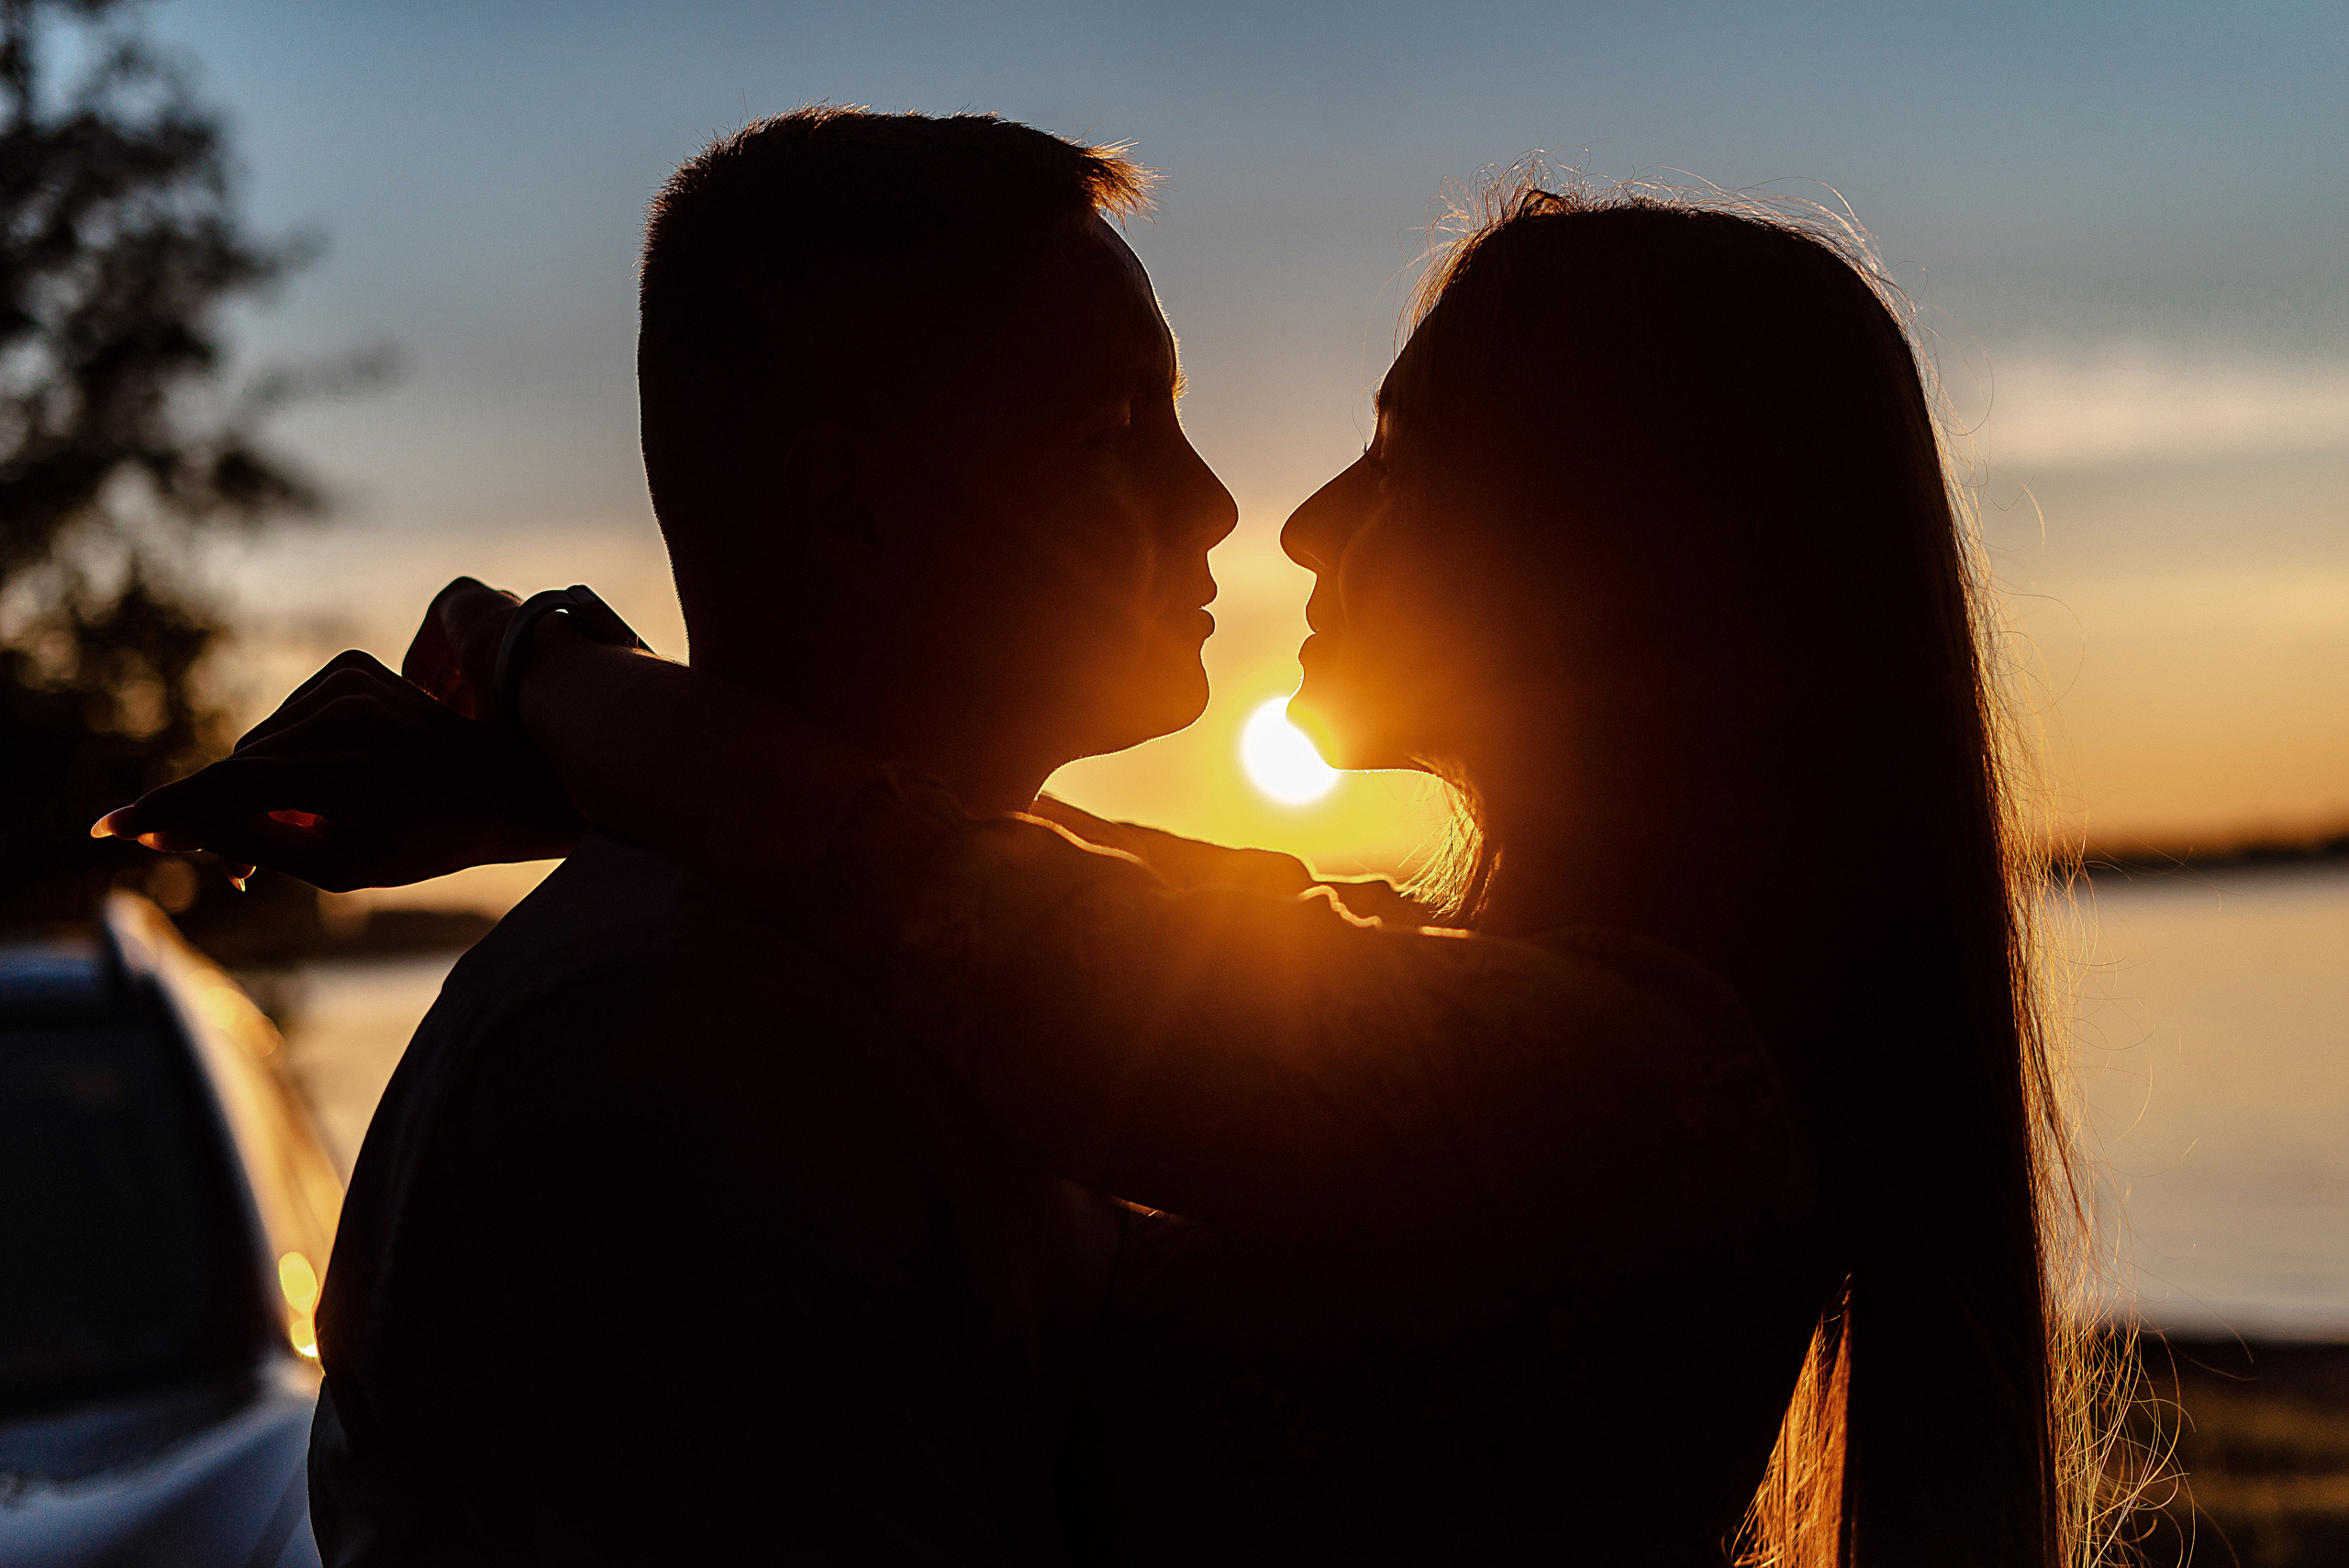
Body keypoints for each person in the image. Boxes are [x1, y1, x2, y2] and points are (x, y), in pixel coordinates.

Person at [111, 182, 2102, 1564]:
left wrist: (539, 676)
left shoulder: (1629, 1085)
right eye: (1115, 432)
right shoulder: (1536, 1028)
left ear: (1615, 558)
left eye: (1402, 461)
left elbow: (956, 899)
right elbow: (1022, 878)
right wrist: (584, 765)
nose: (1285, 519)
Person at [102, 106, 1337, 1566]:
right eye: (1115, 433)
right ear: (851, 507)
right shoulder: (659, 1062)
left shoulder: (961, 956)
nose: (1215, 503)